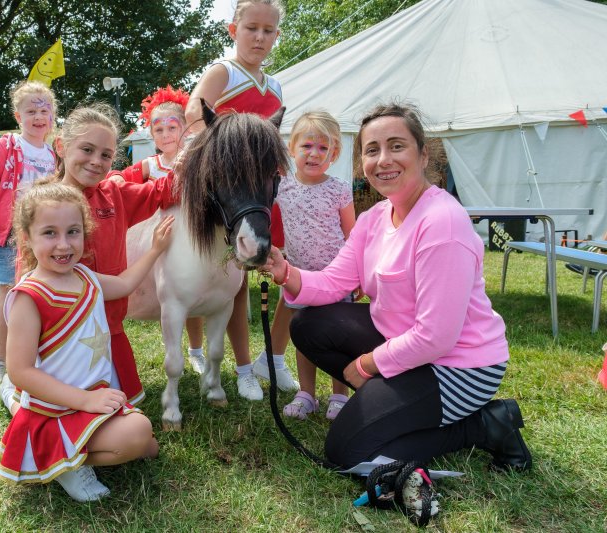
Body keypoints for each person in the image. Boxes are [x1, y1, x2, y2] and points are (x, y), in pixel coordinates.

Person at [262, 103, 532, 473]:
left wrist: (368, 364)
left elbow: (437, 336)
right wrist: (285, 271)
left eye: (396, 146)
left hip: (459, 366)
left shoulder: (442, 223)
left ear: (423, 155)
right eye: (372, 150)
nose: (383, 159)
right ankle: (391, 404)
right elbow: (334, 281)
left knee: (349, 453)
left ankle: (484, 425)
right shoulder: (374, 217)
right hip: (407, 345)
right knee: (308, 325)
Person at [0, 180, 173, 502]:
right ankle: (59, 461)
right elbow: (20, 370)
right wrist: (84, 401)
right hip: (54, 408)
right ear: (26, 238)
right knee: (136, 437)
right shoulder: (29, 296)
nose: (64, 245)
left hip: (90, 398)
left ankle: (26, 414)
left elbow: (124, 283)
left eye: (73, 232)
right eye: (50, 233)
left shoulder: (85, 277)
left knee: (148, 445)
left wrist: (156, 250)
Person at [184, 0, 297, 400]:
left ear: (276, 36)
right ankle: (243, 367)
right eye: (252, 28)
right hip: (229, 194)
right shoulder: (223, 71)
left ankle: (272, 359)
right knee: (233, 285)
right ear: (234, 30)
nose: (260, 37)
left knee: (275, 273)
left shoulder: (276, 84)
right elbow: (194, 116)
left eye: (268, 31)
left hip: (260, 194)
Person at [266, 111, 356, 421]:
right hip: (298, 278)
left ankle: (339, 394)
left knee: (338, 336)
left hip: (336, 278)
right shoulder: (281, 187)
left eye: (323, 148)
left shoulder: (340, 189)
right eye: (306, 146)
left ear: (334, 154)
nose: (314, 154)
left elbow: (352, 235)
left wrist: (355, 275)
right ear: (291, 149)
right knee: (303, 335)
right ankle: (307, 393)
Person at [112, 86, 208, 372]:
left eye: (172, 127)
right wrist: (117, 177)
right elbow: (121, 177)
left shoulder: (195, 160)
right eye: (159, 130)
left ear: (185, 129)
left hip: (190, 240)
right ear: (151, 135)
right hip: (157, 237)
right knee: (169, 294)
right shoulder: (149, 165)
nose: (166, 135)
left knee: (193, 298)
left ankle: (196, 350)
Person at [0, 80, 57, 387]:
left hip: (44, 238)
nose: (39, 116)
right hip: (10, 236)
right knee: (7, 297)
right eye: (31, 110)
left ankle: (33, 359)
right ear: (18, 115)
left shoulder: (54, 153)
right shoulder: (6, 147)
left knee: (39, 298)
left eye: (45, 109)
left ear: (52, 115)